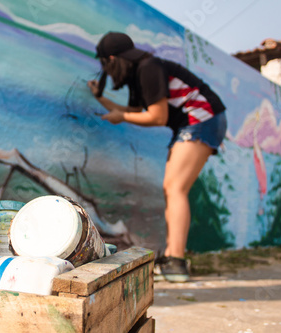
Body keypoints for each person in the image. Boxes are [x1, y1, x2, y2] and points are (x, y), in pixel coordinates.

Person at [88, 32, 227, 283]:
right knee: (173, 189)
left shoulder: (149, 68)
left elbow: (157, 116)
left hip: (202, 118)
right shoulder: (138, 75)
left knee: (175, 188)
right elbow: (133, 111)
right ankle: (174, 259)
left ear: (111, 59)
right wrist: (101, 98)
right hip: (192, 122)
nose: (105, 70)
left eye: (105, 64)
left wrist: (122, 117)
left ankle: (176, 262)